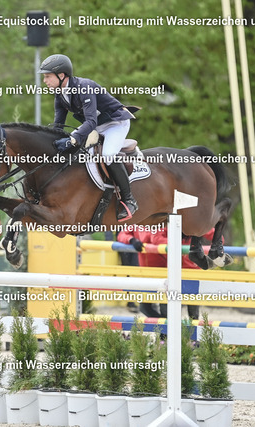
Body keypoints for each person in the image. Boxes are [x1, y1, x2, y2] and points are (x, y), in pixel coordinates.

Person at [39, 53, 138, 221]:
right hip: (97, 125)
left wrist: (73, 138)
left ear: (61, 75)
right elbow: (58, 125)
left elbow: (90, 121)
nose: (45, 81)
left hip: (115, 123)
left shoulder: (84, 87)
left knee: (107, 155)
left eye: (48, 76)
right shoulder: (60, 95)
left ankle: (129, 199)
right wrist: (50, 142)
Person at [117, 227, 215, 319]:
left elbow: (156, 239)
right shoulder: (140, 223)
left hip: (169, 272)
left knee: (185, 308)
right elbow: (122, 235)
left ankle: (175, 328)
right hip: (150, 273)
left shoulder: (166, 222)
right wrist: (131, 240)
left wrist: (216, 243)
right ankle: (168, 327)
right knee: (146, 307)